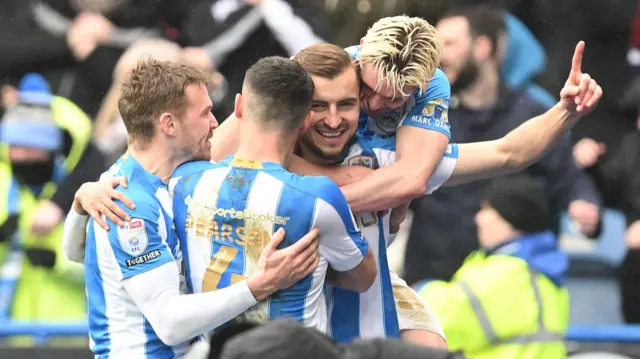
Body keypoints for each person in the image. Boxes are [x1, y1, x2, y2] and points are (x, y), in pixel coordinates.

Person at [70, 39, 601, 348]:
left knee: (432, 347)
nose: (334, 118)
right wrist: (86, 196)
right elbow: (155, 169)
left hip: (359, 325)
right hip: (271, 338)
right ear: (297, 112)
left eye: (348, 104)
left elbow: (507, 152)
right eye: (319, 107)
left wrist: (565, 111)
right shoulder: (220, 169)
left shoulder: (390, 161)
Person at [61, 58, 321, 358]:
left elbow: (78, 251)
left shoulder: (143, 182)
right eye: (206, 113)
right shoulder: (129, 201)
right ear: (169, 124)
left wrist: (80, 206)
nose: (215, 123)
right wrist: (258, 286)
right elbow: (168, 322)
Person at [169, 56, 376, 332]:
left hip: (212, 350)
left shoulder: (182, 180)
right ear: (305, 120)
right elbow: (363, 278)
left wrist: (89, 190)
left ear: (239, 106)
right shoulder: (318, 197)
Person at [404, 6, 603, 285]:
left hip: (506, 288)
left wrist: (584, 204)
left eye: (448, 44)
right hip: (431, 282)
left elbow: (567, 177)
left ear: (482, 47)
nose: (438, 56)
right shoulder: (421, 112)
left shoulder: (531, 113)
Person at [210, 15, 452, 216]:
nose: (376, 105)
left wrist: (317, 207)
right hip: (300, 183)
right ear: (362, 48)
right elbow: (219, 154)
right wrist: (332, 184)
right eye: (367, 89)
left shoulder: (431, 84)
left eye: (395, 99)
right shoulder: (319, 69)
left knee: (453, 159)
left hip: (361, 185)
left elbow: (410, 180)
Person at [418, 175, 570, 359]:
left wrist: (416, 291)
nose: (478, 218)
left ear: (509, 219)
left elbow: (441, 319)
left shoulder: (504, 273)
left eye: (487, 209)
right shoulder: (544, 266)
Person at [0, 73, 102, 330]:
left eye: (30, 147)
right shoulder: (9, 192)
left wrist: (56, 261)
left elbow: (108, 268)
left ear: (51, 151)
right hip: (15, 335)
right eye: (14, 146)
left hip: (72, 332)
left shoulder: (84, 198)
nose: (20, 155)